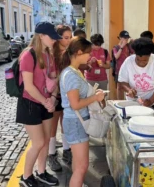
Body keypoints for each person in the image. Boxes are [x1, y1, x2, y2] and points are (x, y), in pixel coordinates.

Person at [16, 22, 61, 187]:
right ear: (41, 36)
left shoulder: (49, 55)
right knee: (39, 142)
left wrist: (54, 98)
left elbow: (54, 79)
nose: (55, 41)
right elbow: (28, 87)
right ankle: (26, 177)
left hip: (46, 102)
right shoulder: (28, 55)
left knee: (47, 139)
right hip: (30, 104)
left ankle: (41, 172)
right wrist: (46, 101)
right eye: (52, 37)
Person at [60, 37, 105, 187]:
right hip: (76, 122)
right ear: (79, 52)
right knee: (82, 166)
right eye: (88, 53)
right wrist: (95, 97)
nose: (90, 57)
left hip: (76, 121)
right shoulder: (71, 75)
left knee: (78, 164)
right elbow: (75, 104)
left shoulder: (74, 71)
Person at [117, 37, 154, 111]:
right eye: (138, 60)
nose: (141, 63)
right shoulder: (128, 62)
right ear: (135, 54)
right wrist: (129, 90)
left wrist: (150, 101)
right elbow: (122, 82)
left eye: (145, 60)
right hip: (132, 103)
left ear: (150, 55)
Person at [48, 25, 72, 172]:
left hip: (67, 93)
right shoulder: (52, 54)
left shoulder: (69, 52)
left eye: (70, 37)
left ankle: (67, 150)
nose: (69, 40)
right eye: (66, 37)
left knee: (66, 121)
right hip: (55, 94)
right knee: (53, 124)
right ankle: (51, 154)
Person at [113, 30, 134, 99]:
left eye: (127, 38)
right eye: (125, 38)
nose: (126, 40)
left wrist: (133, 44)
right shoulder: (116, 47)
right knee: (119, 87)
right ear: (120, 38)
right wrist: (122, 46)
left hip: (128, 69)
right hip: (119, 70)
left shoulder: (128, 46)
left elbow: (134, 53)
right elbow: (116, 56)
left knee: (128, 86)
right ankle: (120, 101)